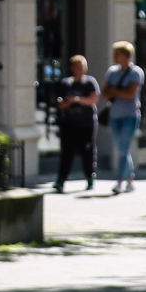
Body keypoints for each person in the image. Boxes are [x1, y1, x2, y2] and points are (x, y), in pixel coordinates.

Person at [102, 41, 145, 194]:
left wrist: (115, 91)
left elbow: (130, 94)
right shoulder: (112, 72)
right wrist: (118, 91)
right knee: (122, 149)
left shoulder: (136, 72)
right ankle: (130, 178)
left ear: (126, 56)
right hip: (114, 116)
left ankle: (120, 181)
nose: (114, 57)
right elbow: (105, 93)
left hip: (130, 116)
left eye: (117, 54)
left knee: (123, 148)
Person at [53, 55, 99, 192]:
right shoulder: (66, 83)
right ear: (72, 68)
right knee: (67, 152)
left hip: (86, 124)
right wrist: (66, 102)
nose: (79, 69)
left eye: (81, 67)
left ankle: (90, 178)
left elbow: (93, 99)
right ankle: (61, 180)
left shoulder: (89, 82)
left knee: (87, 152)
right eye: (76, 67)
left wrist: (76, 100)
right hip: (69, 124)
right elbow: (59, 103)